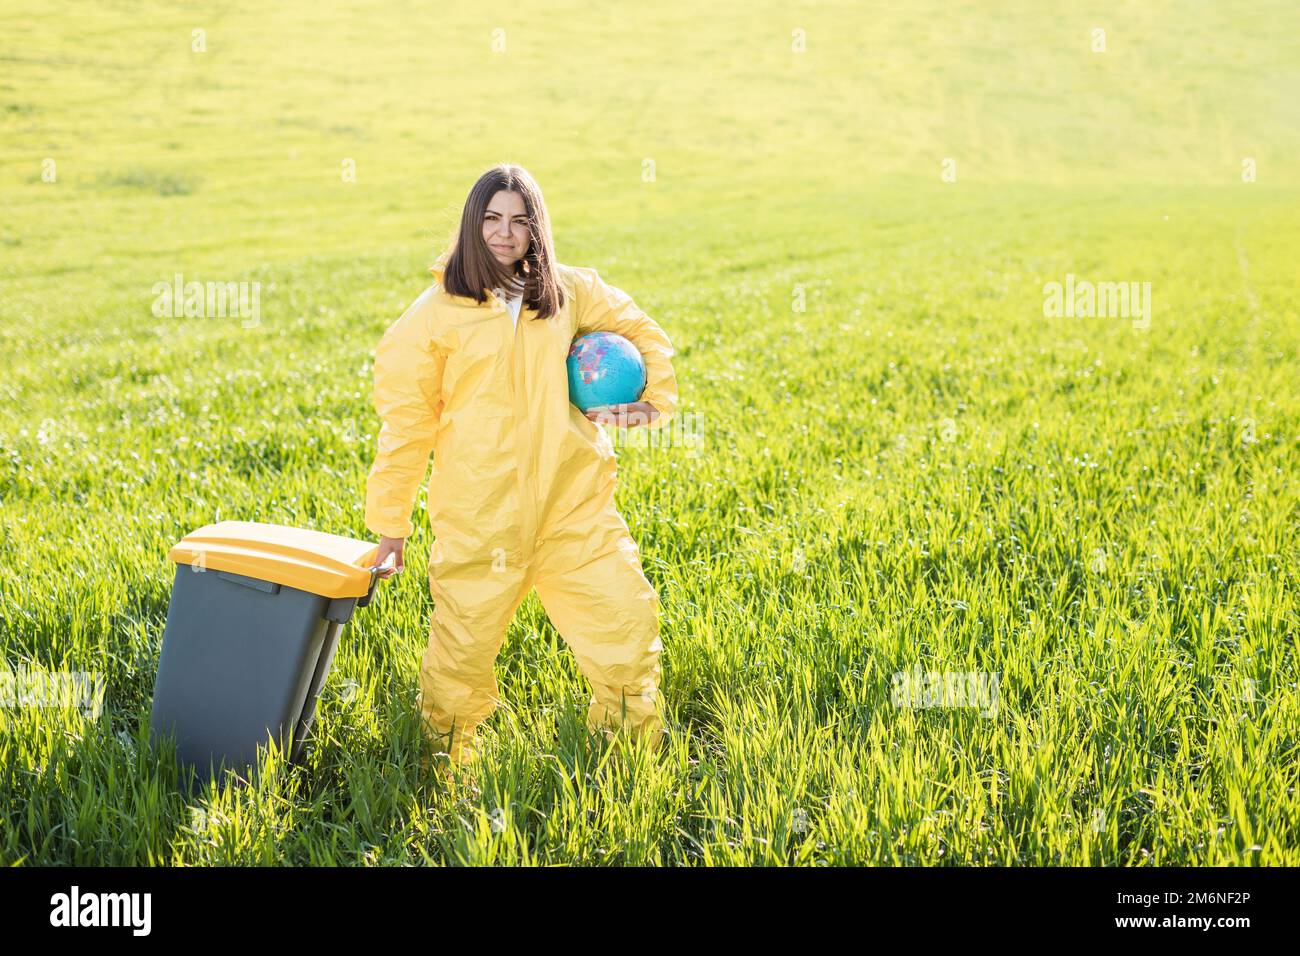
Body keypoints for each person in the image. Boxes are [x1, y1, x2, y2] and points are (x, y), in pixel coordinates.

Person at [363, 163, 679, 773]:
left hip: (574, 510)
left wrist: (654, 398)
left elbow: (640, 328)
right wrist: (390, 526)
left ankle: (629, 759)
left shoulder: (566, 292)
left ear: (537, 229)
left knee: (626, 628)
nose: (505, 234)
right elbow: (406, 427)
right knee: (460, 659)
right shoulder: (434, 316)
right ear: (472, 222)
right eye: (491, 219)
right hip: (482, 519)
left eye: (519, 221)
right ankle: (444, 770)